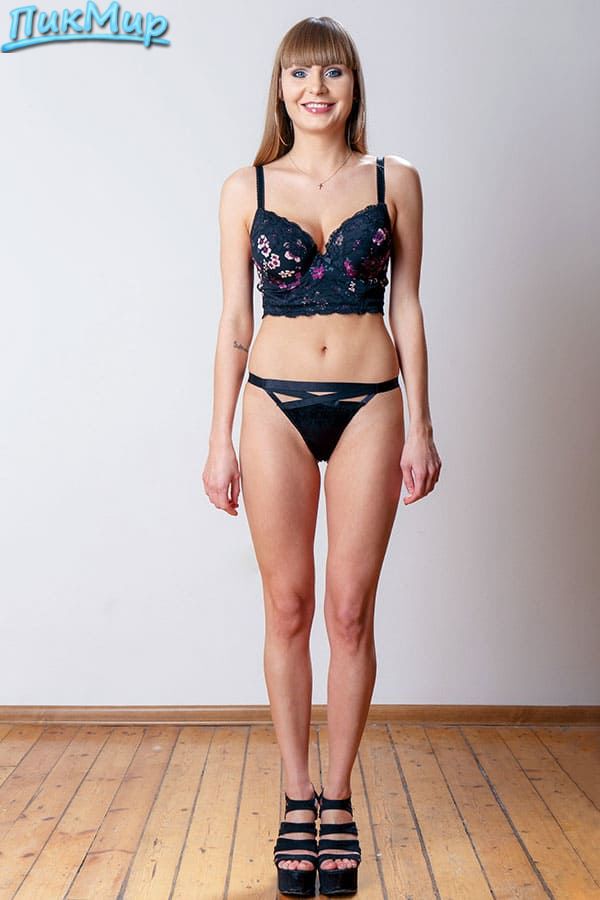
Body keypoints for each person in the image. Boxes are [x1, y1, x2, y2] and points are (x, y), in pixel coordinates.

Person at [203, 15, 441, 898]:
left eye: (332, 73)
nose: (316, 88)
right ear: (280, 88)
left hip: (372, 404)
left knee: (348, 612)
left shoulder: (395, 180)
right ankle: (295, 794)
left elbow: (407, 305)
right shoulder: (246, 188)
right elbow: (235, 319)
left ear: (352, 87)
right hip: (272, 403)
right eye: (301, 74)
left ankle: (338, 799)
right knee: (288, 606)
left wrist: (422, 426)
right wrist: (218, 437)